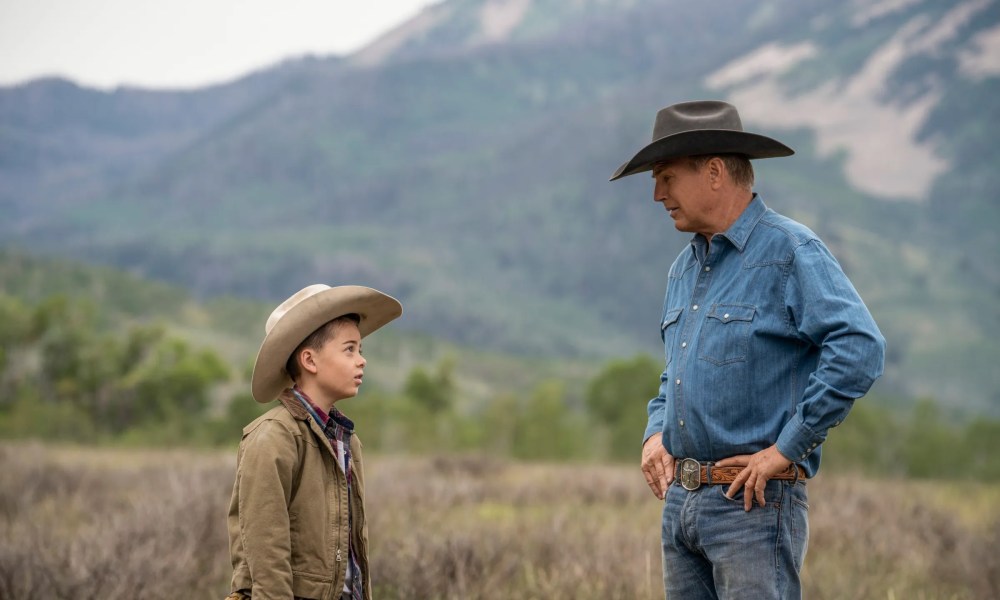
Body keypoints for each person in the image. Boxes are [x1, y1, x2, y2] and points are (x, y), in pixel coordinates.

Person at [609, 100, 886, 599]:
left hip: (752, 507)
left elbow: (859, 347)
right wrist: (655, 434)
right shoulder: (683, 270)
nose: (656, 195)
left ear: (714, 172)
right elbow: (673, 377)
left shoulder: (789, 251)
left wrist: (787, 448)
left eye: (666, 177)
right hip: (681, 504)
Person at [226, 284, 402, 600]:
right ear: (310, 360)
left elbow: (352, 556)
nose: (361, 361)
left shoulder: (348, 442)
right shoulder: (272, 438)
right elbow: (266, 553)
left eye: (361, 350)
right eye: (349, 349)